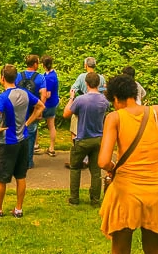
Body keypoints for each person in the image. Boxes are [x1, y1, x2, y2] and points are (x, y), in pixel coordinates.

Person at [98, 74, 158, 254]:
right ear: (134, 94)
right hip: (155, 192)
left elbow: (103, 161)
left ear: (116, 98)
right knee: (152, 249)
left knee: (120, 249)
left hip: (126, 193)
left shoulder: (115, 117)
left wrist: (114, 167)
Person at [0, 64, 45, 218]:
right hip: (23, 140)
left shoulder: (3, 97)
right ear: (16, 78)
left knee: (1, 178)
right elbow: (40, 106)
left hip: (7, 142)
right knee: (21, 176)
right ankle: (18, 209)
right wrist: (28, 123)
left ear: (2, 78)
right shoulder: (25, 93)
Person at [63, 72, 109, 206]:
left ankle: (74, 198)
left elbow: (66, 114)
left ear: (86, 84)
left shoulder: (81, 100)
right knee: (95, 171)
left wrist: (71, 98)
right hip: (98, 139)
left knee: (75, 168)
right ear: (99, 84)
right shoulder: (104, 101)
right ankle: (95, 200)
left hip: (82, 138)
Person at [65, 56, 106, 168]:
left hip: (82, 105)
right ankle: (90, 159)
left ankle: (78, 157)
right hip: (97, 107)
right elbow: (104, 90)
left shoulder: (82, 77)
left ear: (86, 65)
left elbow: (73, 89)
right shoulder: (101, 78)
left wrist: (73, 97)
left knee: (75, 130)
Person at [14, 54, 47, 168]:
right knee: (31, 135)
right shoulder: (40, 77)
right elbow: (43, 94)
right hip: (33, 109)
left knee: (17, 133)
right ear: (35, 64)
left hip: (19, 109)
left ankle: (17, 159)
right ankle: (28, 162)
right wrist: (40, 110)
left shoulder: (18, 75)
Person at [41, 55, 59, 157]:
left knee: (34, 123)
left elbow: (47, 94)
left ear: (43, 65)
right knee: (51, 125)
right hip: (53, 103)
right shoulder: (52, 74)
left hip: (46, 104)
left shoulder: (49, 78)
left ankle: (35, 145)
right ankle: (51, 148)